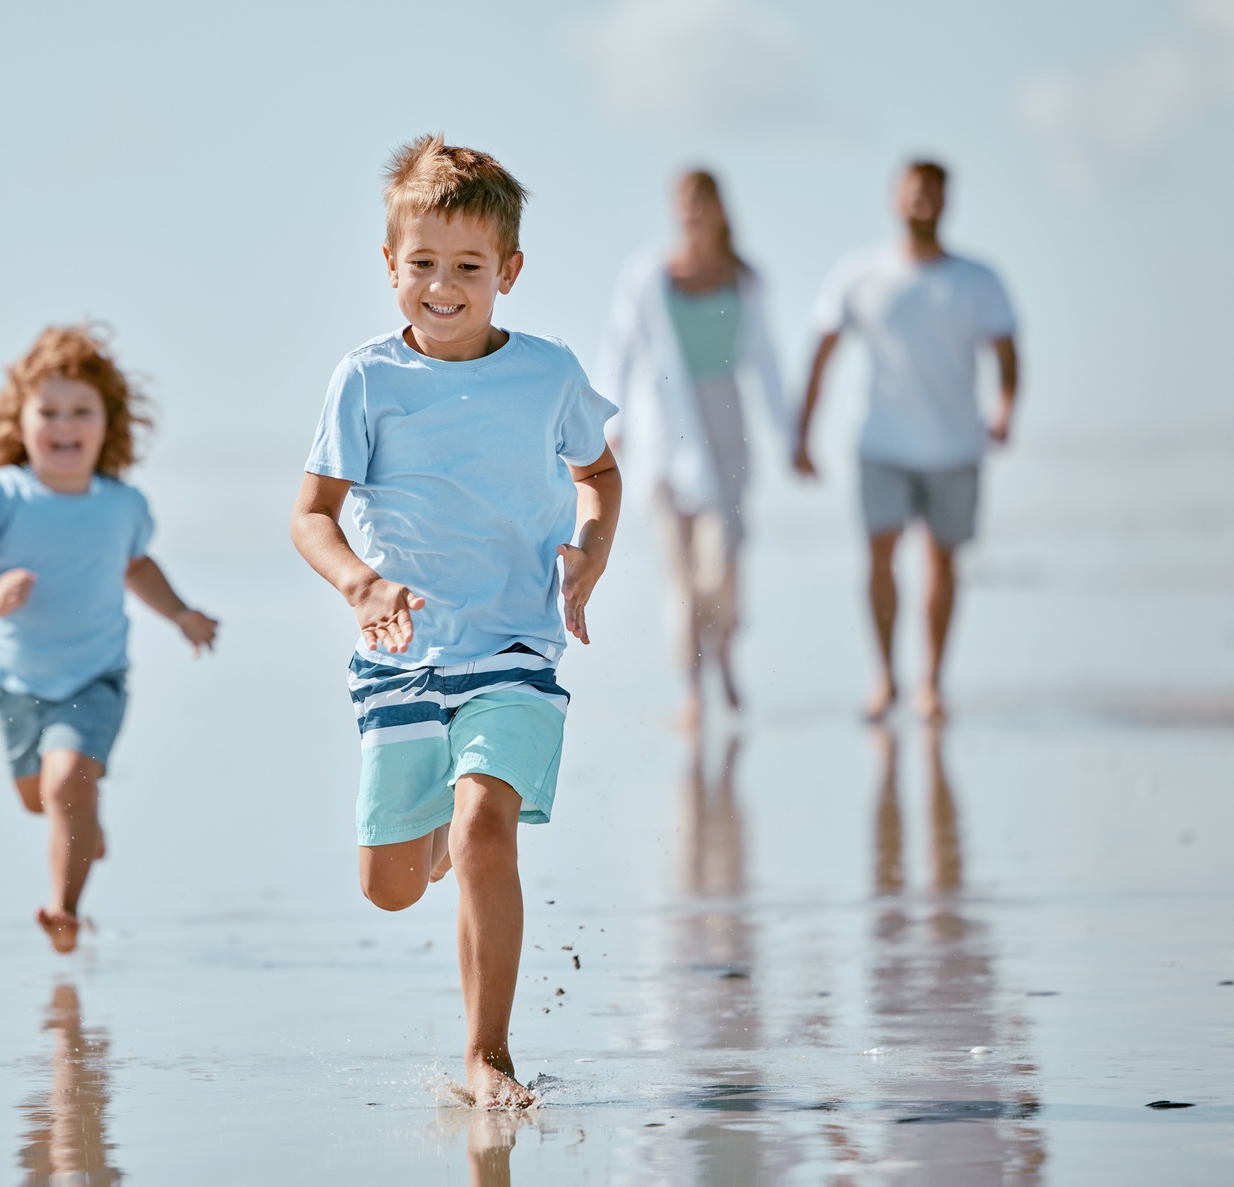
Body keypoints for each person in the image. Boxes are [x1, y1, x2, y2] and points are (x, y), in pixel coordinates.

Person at [290, 136, 621, 1108]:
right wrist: (359, 583)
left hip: (515, 646)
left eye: (468, 266)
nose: (444, 285)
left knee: (486, 821)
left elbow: (596, 473)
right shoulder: (364, 380)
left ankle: (488, 1052)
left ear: (506, 272)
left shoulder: (548, 373)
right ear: (390, 266)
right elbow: (310, 513)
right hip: (398, 658)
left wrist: (590, 552)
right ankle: (426, 829)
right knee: (390, 884)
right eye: (423, 264)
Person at [0, 325, 219, 953]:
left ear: (107, 423)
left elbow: (137, 566)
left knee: (68, 784)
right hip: (15, 683)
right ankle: (84, 826)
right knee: (40, 801)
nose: (65, 425)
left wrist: (181, 614)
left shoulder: (121, 505)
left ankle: (64, 911)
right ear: (20, 420)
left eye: (81, 411)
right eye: (50, 411)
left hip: (96, 677)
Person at [793, 160, 1020, 723]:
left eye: (932, 193)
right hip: (882, 445)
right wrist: (803, 430)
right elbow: (823, 351)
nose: (922, 202)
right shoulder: (860, 274)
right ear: (895, 200)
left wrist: (1006, 408)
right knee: (879, 556)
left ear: (947, 202)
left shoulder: (977, 279)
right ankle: (886, 678)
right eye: (913, 193)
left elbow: (1008, 353)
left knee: (943, 561)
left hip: (955, 446)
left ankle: (932, 683)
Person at [597, 169, 792, 729]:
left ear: (720, 208)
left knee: (720, 563)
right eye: (682, 202)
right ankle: (692, 688)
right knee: (678, 576)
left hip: (726, 426)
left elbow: (768, 361)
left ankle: (724, 652)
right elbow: (620, 346)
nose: (690, 211)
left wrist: (792, 434)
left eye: (700, 201)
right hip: (664, 427)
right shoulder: (647, 274)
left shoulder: (745, 279)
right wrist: (608, 422)